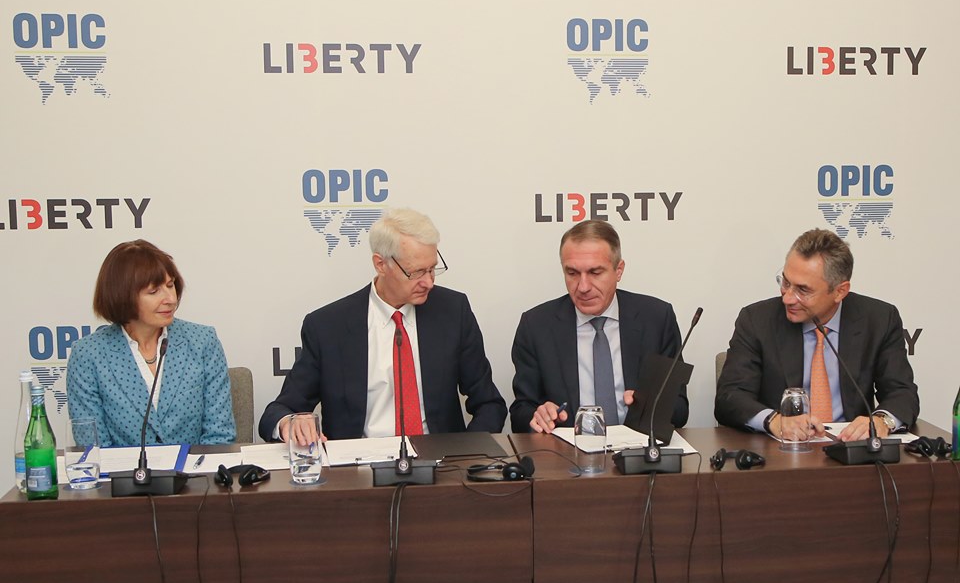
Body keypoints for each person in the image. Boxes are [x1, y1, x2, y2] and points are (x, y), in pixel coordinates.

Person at [259, 208, 507, 444]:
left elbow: (489, 404)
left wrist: (467, 456)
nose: (429, 283)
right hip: (357, 467)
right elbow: (280, 410)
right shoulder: (327, 326)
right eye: (416, 272)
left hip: (441, 463)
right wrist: (289, 423)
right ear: (380, 264)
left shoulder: (453, 311)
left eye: (432, 269)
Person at [715, 228, 919, 442]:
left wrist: (882, 421)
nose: (787, 298)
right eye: (786, 282)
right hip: (782, 451)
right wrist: (774, 421)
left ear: (840, 291)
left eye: (803, 290)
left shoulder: (879, 320)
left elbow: (902, 392)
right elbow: (730, 397)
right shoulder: (757, 320)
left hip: (851, 448)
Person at [509, 220, 689, 434]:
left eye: (595, 272)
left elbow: (680, 409)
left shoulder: (656, 319)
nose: (583, 287)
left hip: (638, 447)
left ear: (618, 270)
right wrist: (538, 415)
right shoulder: (536, 326)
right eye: (572, 273)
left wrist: (649, 407)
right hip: (566, 451)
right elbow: (520, 412)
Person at [66, 240, 236, 447]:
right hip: (123, 469)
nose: (170, 299)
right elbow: (93, 447)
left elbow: (219, 436)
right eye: (154, 291)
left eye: (170, 285)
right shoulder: (88, 355)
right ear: (122, 296)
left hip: (195, 468)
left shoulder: (202, 342)